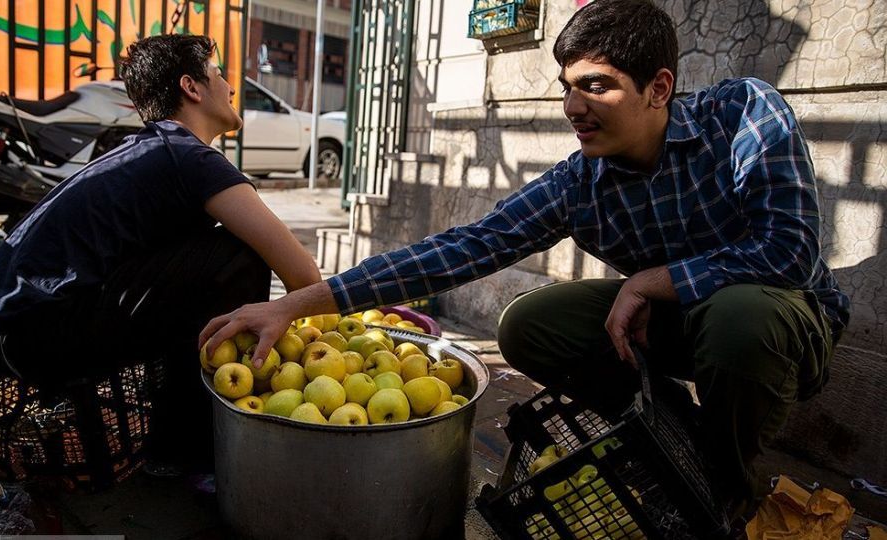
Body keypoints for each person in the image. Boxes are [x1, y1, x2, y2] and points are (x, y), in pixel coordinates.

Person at [199, 0, 848, 526]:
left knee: (739, 318)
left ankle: (725, 488)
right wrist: (294, 303)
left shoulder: (742, 115)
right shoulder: (581, 180)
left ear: (659, 88)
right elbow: (457, 251)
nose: (573, 109)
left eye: (596, 86)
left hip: (782, 318)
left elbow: (788, 252)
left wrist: (657, 280)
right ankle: (670, 428)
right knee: (527, 325)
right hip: (676, 325)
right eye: (568, 88)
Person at [0, 34, 321, 471]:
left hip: (19, 327)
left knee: (203, 261)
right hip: (38, 334)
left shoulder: (151, 149)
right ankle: (195, 448)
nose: (231, 87)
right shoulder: (191, 158)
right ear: (191, 88)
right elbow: (304, 276)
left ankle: (173, 424)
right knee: (238, 257)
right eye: (219, 75)